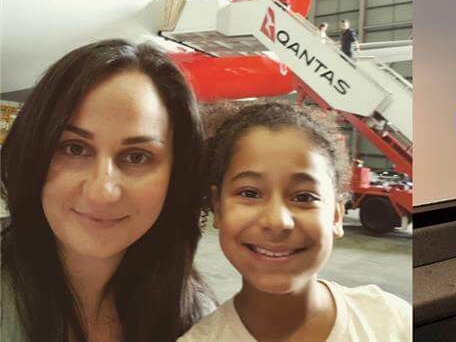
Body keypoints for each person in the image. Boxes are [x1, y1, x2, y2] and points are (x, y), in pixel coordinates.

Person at [0, 40, 213, 342]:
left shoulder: (198, 320)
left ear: (176, 175)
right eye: (74, 149)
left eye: (137, 157)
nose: (102, 192)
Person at [179, 102, 411, 342]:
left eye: (304, 197)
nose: (277, 221)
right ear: (218, 208)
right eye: (250, 193)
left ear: (336, 215)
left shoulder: (394, 323)